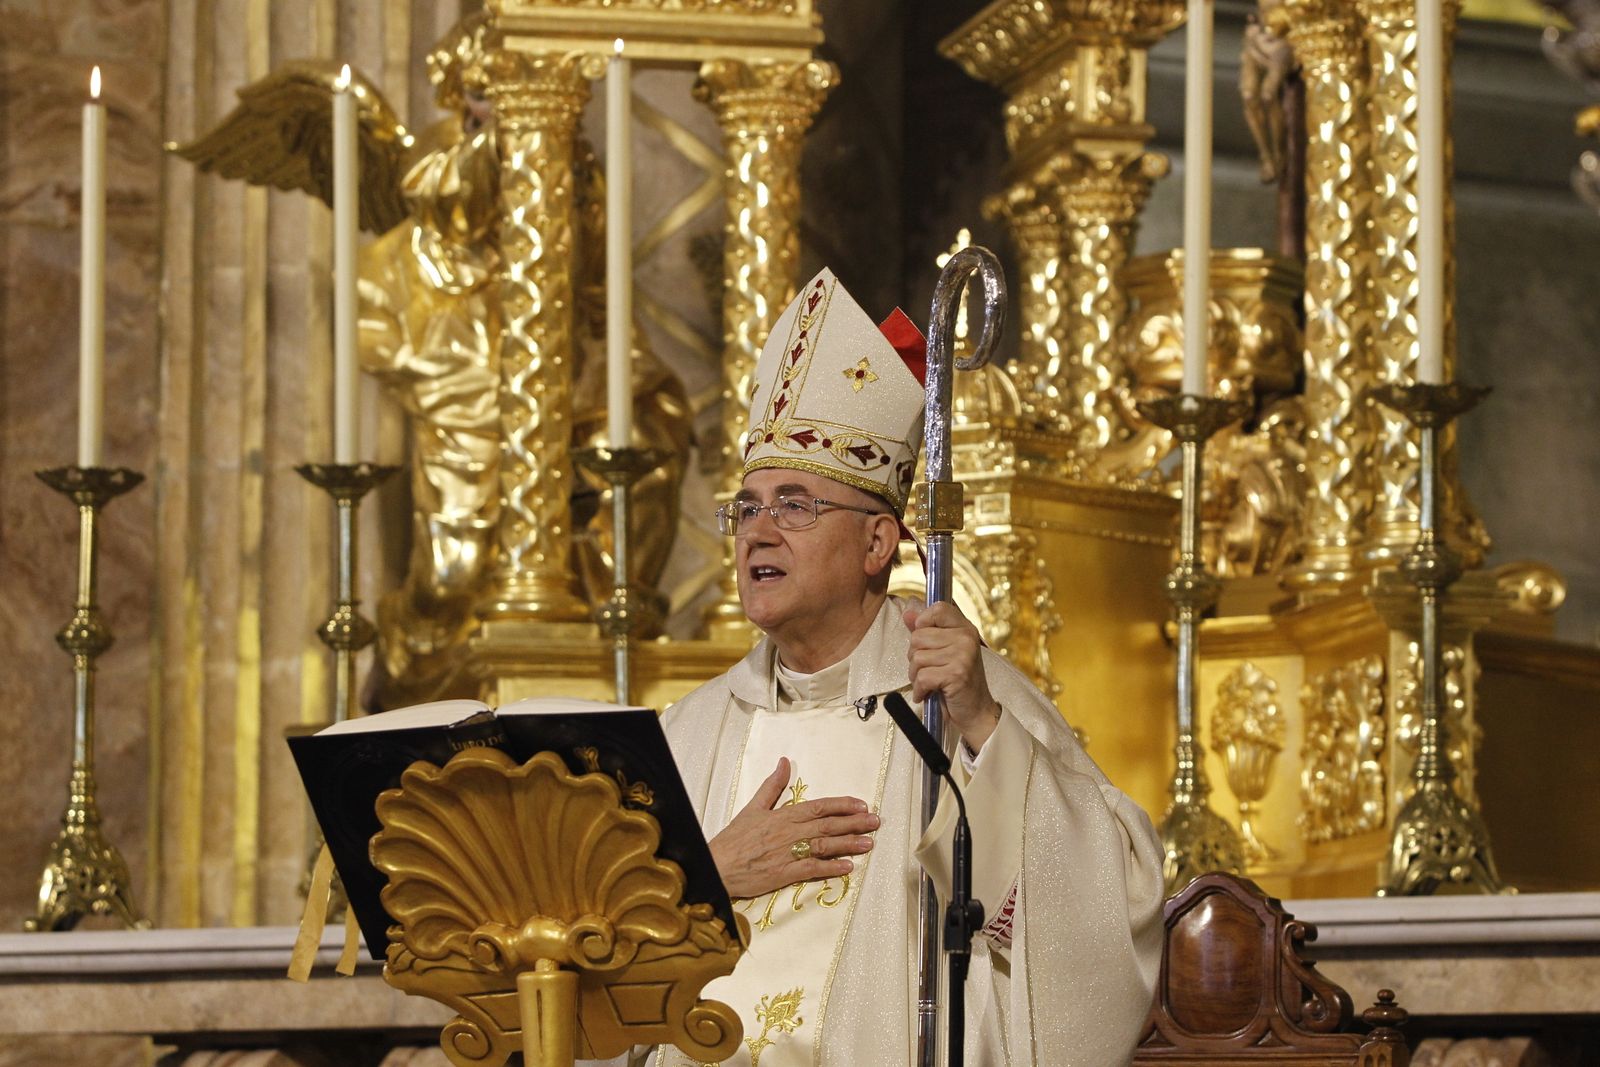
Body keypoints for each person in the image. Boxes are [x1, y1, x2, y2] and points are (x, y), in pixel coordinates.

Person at [634, 268, 1164, 1067]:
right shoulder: (692, 731)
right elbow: (584, 963)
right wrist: (706, 877)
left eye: (796, 504)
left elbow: (1100, 915)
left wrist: (985, 729)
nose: (758, 532)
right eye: (747, 507)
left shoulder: (960, 700)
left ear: (879, 544)